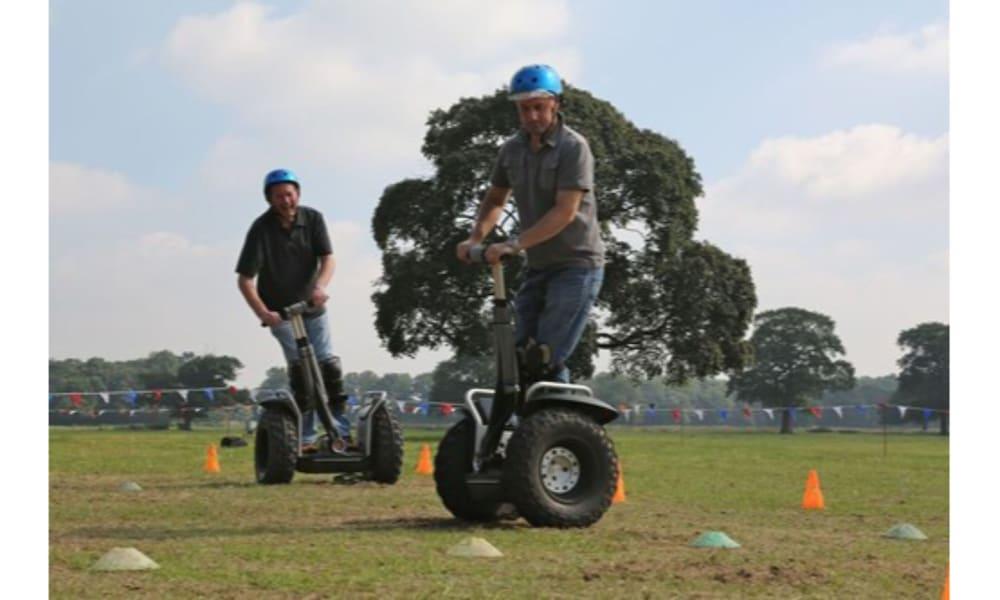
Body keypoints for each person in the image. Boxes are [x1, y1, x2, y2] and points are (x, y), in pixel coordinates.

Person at [456, 64, 604, 383]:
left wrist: (513, 244)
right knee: (521, 355)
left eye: (539, 107)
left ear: (556, 104)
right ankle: (536, 427)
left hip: (577, 266)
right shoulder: (511, 150)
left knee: (545, 357)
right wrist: (475, 240)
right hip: (540, 266)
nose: (532, 116)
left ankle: (559, 428)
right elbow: (496, 199)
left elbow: (565, 212)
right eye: (524, 109)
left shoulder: (574, 147)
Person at [236, 169, 350, 451]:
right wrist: (263, 313)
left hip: (313, 308)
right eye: (278, 196)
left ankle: (341, 431)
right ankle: (306, 437)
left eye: (289, 194)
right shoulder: (261, 229)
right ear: (269, 199)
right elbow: (245, 280)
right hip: (281, 313)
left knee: (327, 365)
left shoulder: (312, 219)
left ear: (297, 193)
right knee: (302, 371)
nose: (285, 200)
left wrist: (320, 287)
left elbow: (328, 259)